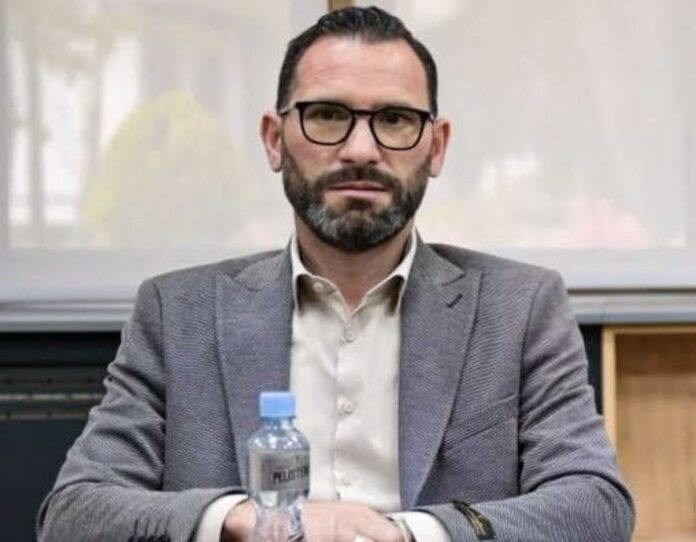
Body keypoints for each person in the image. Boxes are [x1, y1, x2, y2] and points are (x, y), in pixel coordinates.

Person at [37, 6, 634, 542]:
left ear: (436, 147)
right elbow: (75, 512)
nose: (361, 150)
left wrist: (407, 535)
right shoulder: (178, 314)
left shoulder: (520, 308)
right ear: (274, 140)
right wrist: (248, 520)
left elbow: (595, 505)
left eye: (395, 119)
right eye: (327, 115)